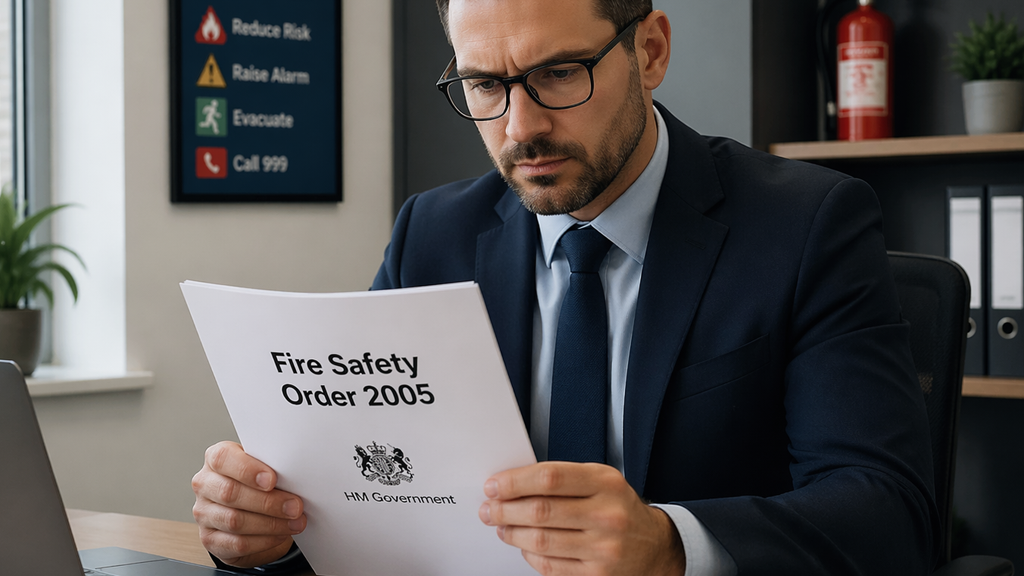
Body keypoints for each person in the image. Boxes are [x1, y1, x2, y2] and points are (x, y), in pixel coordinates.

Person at [190, 0, 939, 574]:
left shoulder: (807, 223)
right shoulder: (433, 233)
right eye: (485, 84)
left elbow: (888, 515)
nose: (521, 128)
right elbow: (377, 485)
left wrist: (671, 545)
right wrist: (272, 533)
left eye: (557, 74)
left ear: (649, 51)